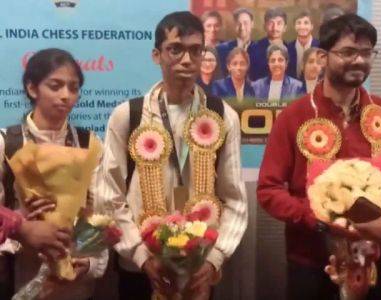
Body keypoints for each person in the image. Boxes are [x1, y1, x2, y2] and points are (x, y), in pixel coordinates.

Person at [99, 11, 247, 300]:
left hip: (199, 266)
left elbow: (234, 197)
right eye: (175, 49)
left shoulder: (221, 115)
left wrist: (214, 258)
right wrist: (141, 255)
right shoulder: (128, 115)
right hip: (140, 268)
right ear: (157, 55)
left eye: (195, 50)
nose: (187, 60)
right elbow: (109, 195)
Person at [257, 14, 381, 300]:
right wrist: (318, 218)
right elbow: (268, 189)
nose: (359, 60)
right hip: (310, 262)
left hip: (373, 261)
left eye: (366, 52)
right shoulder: (294, 116)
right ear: (323, 56)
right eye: (348, 52)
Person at [0, 48, 108, 300]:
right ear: (32, 88)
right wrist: (23, 228)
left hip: (77, 281)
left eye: (73, 87)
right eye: (55, 86)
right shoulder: (7, 143)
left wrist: (89, 264)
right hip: (18, 280)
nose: (66, 96)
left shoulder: (90, 144)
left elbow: (104, 212)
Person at [216, 8, 258, 80]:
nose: (242, 27)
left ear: (252, 24)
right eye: (239, 23)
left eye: (245, 23)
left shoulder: (260, 49)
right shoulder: (221, 49)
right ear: (234, 25)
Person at [252, 7, 288, 81]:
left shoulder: (290, 48)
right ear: (264, 26)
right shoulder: (254, 48)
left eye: (279, 23)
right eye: (271, 23)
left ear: (285, 27)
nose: (275, 28)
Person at [287, 10, 320, 79]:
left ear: (312, 26)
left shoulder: (320, 46)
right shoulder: (288, 48)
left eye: (306, 23)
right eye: (298, 23)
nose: (302, 27)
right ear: (294, 26)